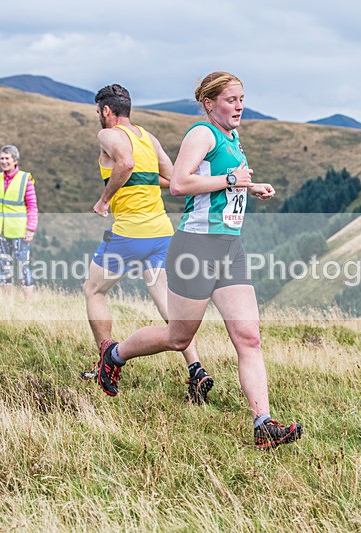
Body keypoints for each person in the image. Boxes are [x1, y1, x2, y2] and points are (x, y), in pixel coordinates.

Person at [93, 72, 302, 450]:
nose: (239, 106)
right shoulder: (201, 134)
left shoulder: (233, 138)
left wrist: (252, 187)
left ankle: (263, 425)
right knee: (178, 337)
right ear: (209, 103)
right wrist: (231, 180)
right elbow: (179, 184)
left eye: (242, 99)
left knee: (249, 337)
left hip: (229, 247)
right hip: (196, 246)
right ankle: (114, 354)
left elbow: (227, 182)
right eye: (231, 99)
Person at [82, 84, 213, 404]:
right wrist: (146, 179)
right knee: (170, 309)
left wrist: (104, 200)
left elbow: (124, 163)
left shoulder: (108, 136)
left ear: (106, 112)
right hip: (160, 233)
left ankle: (106, 363)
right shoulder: (147, 137)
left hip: (128, 234)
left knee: (93, 290)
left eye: (99, 112)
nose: (99, 117)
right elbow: (171, 179)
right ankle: (196, 369)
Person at [0, 145, 37, 298]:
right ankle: (7, 304)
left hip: (20, 231)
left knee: (22, 266)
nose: (4, 161)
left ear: (15, 160)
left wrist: (30, 229)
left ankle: (29, 305)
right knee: (4, 267)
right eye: (2, 158)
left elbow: (32, 206)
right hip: (0, 230)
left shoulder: (25, 179)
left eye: (7, 158)